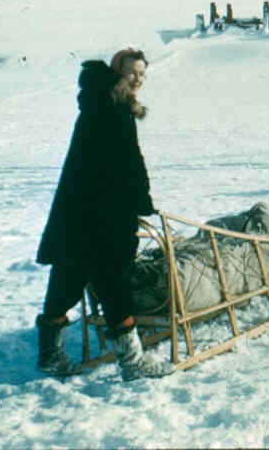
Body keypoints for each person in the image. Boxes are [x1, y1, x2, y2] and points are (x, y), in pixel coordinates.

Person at [34, 48, 175, 381]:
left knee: (68, 277)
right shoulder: (113, 107)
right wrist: (139, 201)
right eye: (132, 73)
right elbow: (128, 163)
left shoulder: (102, 102)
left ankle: (51, 356)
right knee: (113, 281)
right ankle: (132, 362)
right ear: (117, 72)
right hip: (104, 216)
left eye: (142, 73)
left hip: (78, 215)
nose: (138, 79)